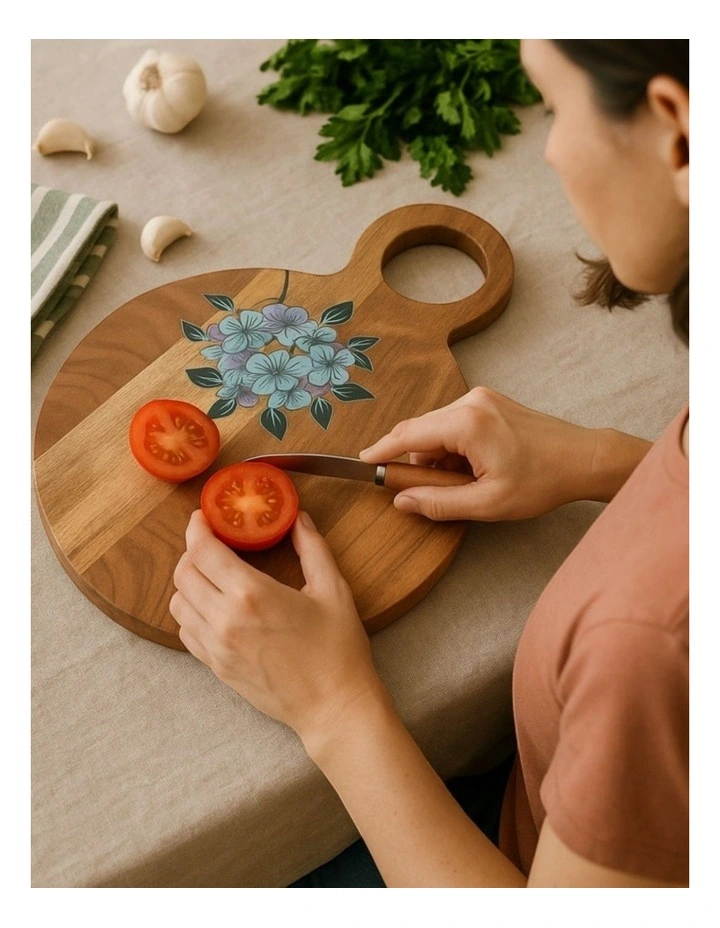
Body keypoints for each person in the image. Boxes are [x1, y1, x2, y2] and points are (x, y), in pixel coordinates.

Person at [169, 40, 689, 887]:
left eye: (554, 107)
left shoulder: (652, 653)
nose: (548, 150)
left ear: (679, 135)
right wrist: (615, 465)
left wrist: (336, 710)